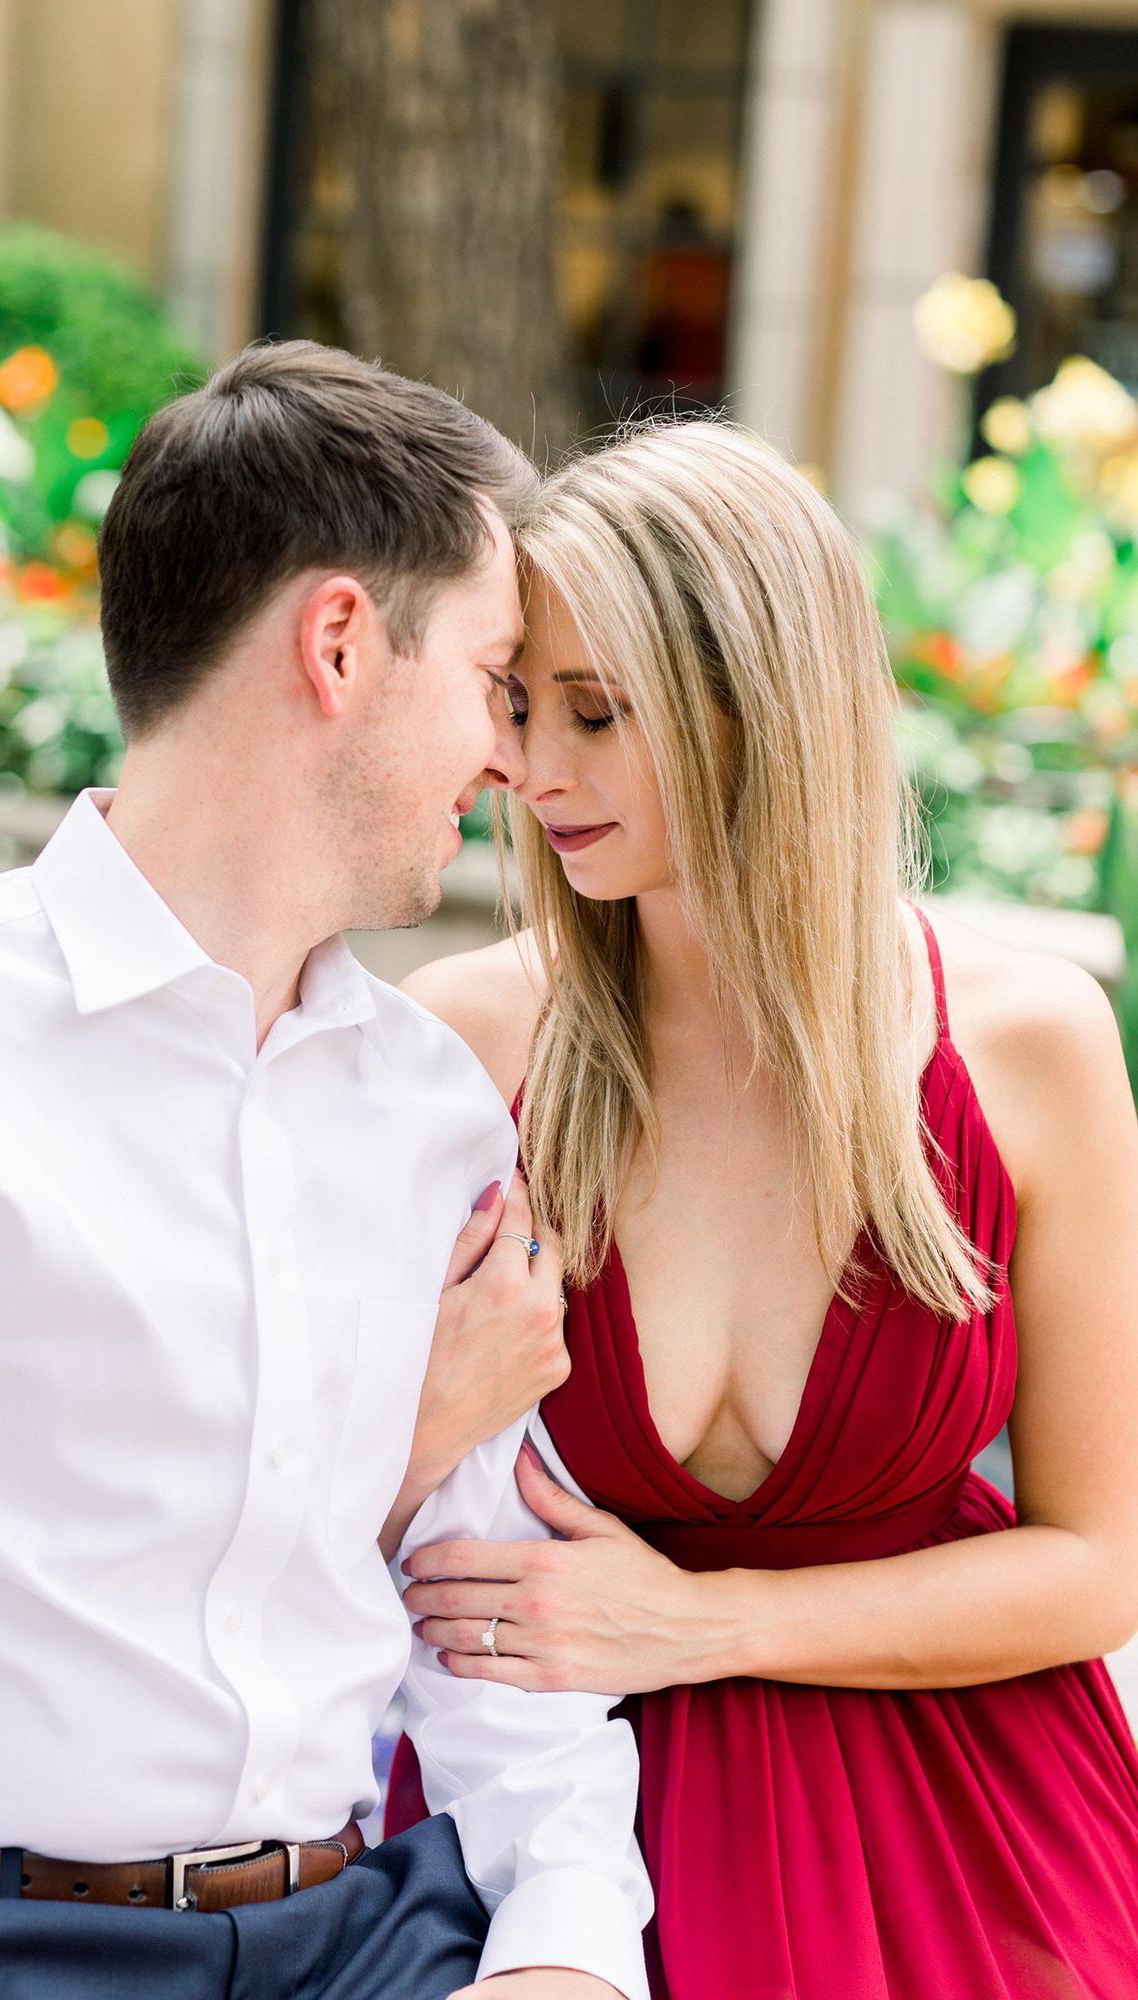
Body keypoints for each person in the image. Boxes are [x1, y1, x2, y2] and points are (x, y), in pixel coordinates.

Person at [0, 341, 653, 2000]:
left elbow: (492, 1616)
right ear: (338, 645)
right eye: (494, 679)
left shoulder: (434, 1113)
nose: (511, 758)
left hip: (368, 1940)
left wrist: (564, 1952)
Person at [385, 418, 1138, 1998]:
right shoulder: (462, 1046)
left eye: (596, 712)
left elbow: (1094, 1565)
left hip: (970, 1845)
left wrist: (700, 1624)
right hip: (551, 1836)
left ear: (761, 707)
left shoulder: (1028, 1045)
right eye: (518, 706)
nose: (532, 770)